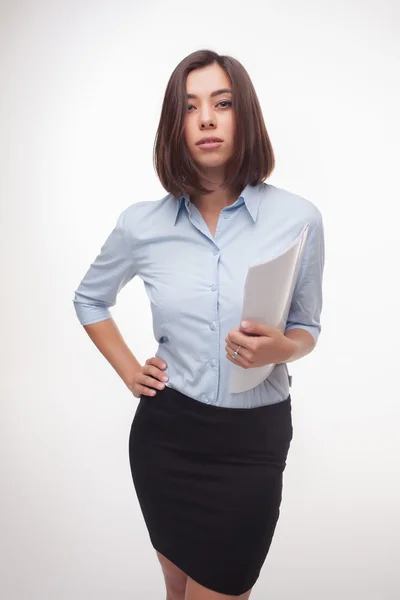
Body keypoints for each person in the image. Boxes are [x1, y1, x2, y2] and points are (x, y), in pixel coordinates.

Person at [73, 49, 325, 600]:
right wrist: (128, 371)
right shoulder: (142, 224)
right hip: (167, 436)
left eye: (222, 102)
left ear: (245, 115)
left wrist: (281, 348)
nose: (206, 118)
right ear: (175, 125)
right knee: (177, 588)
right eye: (189, 108)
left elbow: (307, 326)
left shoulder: (298, 218)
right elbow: (90, 299)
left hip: (252, 443)